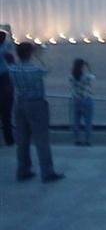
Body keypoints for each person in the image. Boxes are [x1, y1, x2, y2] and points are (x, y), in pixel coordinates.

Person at [9, 41, 64, 182]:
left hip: (20, 103)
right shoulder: (36, 69)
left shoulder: (13, 69)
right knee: (41, 138)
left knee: (22, 139)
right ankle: (47, 172)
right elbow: (47, 68)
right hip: (36, 104)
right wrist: (40, 56)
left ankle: (23, 170)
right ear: (30, 53)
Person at [68, 58, 95, 146]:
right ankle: (88, 140)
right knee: (88, 121)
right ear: (82, 66)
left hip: (76, 100)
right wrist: (89, 67)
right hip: (86, 99)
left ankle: (76, 139)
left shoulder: (71, 76)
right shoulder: (85, 76)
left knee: (76, 121)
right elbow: (93, 77)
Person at [0, 30, 15, 146]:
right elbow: (10, 44)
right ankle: (9, 140)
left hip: (6, 86)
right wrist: (9, 32)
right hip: (6, 88)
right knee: (7, 117)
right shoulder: (5, 54)